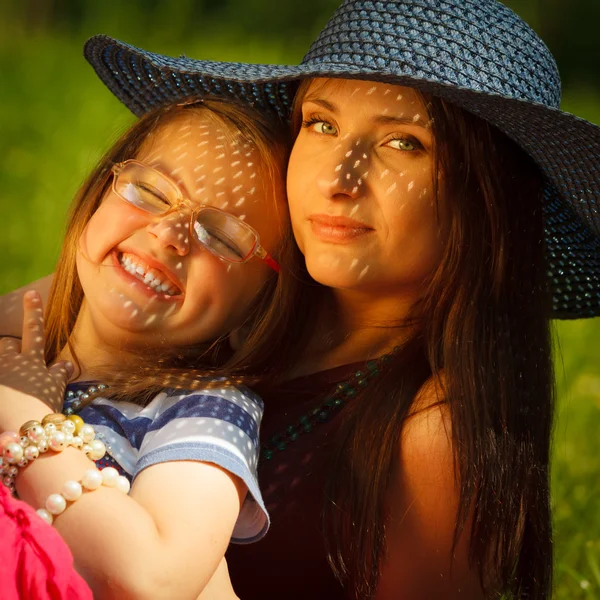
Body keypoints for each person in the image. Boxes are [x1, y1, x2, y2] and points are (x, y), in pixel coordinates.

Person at [3, 0, 600, 598]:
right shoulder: (234, 292)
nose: (339, 177)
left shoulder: (434, 432)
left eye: (405, 143)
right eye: (321, 123)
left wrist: (28, 414)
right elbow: (44, 321)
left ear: (487, 200)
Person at [0, 97, 292, 599]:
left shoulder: (205, 408)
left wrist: (25, 412)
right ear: (99, 194)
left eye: (223, 236)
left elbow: (152, 579)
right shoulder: (22, 346)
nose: (170, 233)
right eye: (149, 192)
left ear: (260, 308)